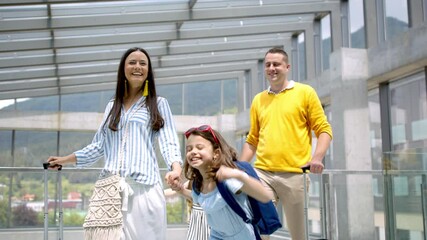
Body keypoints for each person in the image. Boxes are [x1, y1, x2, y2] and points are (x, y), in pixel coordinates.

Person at [47, 47, 183, 240]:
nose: (138, 67)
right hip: (111, 193)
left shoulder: (158, 104)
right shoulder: (112, 106)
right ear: (123, 69)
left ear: (148, 72)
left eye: (143, 63)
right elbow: (99, 145)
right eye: (132, 62)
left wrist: (176, 169)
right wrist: (65, 159)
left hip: (144, 190)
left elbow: (169, 141)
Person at [240, 47, 333, 240]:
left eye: (276, 64)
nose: (272, 68)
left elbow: (324, 129)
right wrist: (239, 167)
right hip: (263, 174)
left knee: (298, 235)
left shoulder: (305, 93)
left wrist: (317, 157)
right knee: (260, 230)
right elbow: (252, 140)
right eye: (268, 65)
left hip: (295, 174)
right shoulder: (259, 100)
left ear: (287, 67)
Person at [182, 124, 272, 240]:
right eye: (189, 149)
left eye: (199, 147)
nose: (193, 152)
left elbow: (265, 196)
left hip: (243, 236)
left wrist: (239, 175)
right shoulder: (198, 184)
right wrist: (180, 190)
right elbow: (199, 199)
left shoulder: (226, 179)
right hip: (217, 235)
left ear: (216, 153)